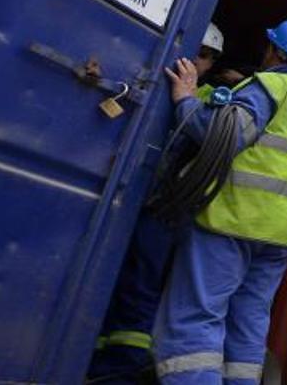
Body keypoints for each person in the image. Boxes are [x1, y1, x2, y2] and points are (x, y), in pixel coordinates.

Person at [149, 16, 287, 384]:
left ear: (276, 50)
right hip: (277, 234)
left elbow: (222, 136)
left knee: (195, 316)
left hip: (231, 220)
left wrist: (185, 98)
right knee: (248, 321)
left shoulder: (267, 86)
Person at [88, 23, 227, 384]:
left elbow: (204, 141)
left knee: (140, 286)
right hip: (133, 196)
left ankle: (119, 368)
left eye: (205, 57)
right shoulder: (161, 85)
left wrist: (188, 98)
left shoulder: (211, 100)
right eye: (198, 52)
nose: (197, 61)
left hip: (164, 208)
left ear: (212, 62)